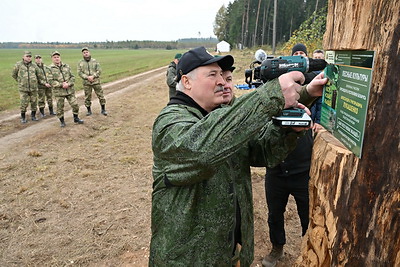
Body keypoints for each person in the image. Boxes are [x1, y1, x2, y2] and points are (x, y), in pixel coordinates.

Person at [149, 46, 327, 266]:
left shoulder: (221, 117)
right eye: (212, 75)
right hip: (188, 258)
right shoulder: (170, 123)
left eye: (223, 76)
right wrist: (271, 95)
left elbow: (262, 151)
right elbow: (202, 152)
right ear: (186, 82)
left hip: (231, 251)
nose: (222, 81)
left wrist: (295, 118)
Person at [262, 43, 320, 267]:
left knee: (307, 214)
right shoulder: (271, 92)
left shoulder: (304, 87)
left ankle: (309, 249)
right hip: (275, 170)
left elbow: (313, 95)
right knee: (275, 214)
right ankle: (277, 249)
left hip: (302, 169)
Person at [48, 51, 84, 127]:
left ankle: (76, 118)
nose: (56, 59)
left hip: (69, 90)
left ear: (60, 58)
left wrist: (68, 84)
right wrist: (61, 85)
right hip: (59, 92)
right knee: (60, 108)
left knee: (75, 105)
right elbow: (50, 81)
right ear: (52, 59)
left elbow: (72, 77)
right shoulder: (49, 68)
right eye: (54, 57)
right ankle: (62, 121)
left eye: (58, 57)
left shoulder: (66, 66)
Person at [11, 51, 45, 123]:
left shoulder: (34, 66)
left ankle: (33, 116)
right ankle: (23, 117)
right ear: (23, 57)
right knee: (24, 103)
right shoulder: (18, 65)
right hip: (23, 89)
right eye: (27, 56)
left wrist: (42, 82)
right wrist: (20, 81)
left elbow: (39, 76)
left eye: (30, 56)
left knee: (34, 102)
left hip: (33, 88)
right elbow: (14, 74)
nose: (29, 58)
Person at [77, 47, 107, 116]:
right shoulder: (80, 63)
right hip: (86, 83)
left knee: (101, 95)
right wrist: (87, 77)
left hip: (96, 82)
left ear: (89, 52)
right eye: (84, 53)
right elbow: (79, 72)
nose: (86, 54)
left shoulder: (95, 61)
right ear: (82, 54)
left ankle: (103, 109)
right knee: (87, 97)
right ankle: (89, 111)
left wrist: (93, 76)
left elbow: (99, 70)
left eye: (87, 52)